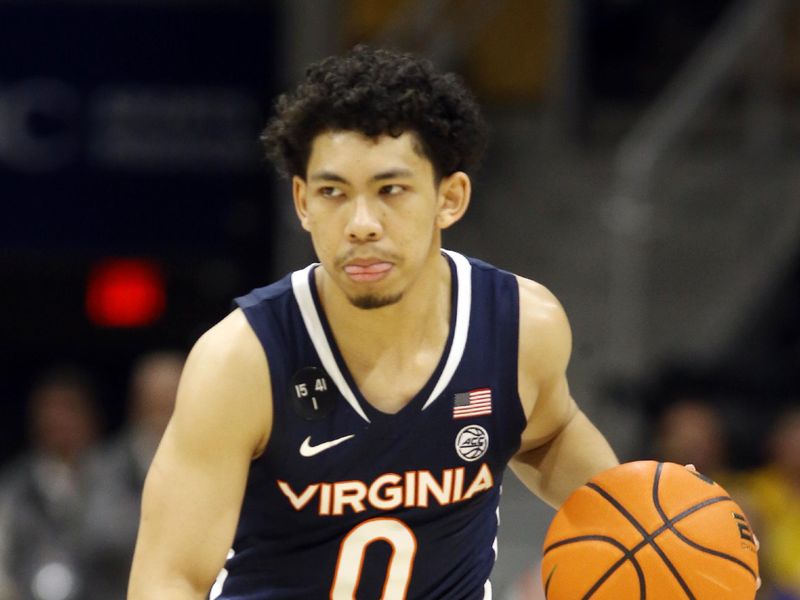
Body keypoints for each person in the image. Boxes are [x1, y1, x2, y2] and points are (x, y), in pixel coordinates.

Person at [128, 45, 618, 599]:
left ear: (450, 198)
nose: (361, 224)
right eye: (333, 192)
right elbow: (169, 578)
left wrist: (644, 526)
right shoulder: (242, 361)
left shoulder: (522, 326)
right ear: (302, 202)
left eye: (391, 191)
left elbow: (547, 433)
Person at [82, 351, 184, 600]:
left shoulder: (213, 458)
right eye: (155, 400)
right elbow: (100, 534)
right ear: (137, 403)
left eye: (171, 398)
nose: (163, 409)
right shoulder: (103, 465)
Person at [0, 366, 102, 600]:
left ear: (91, 416)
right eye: (49, 410)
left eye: (69, 408)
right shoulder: (12, 489)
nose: (58, 420)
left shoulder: (117, 482)